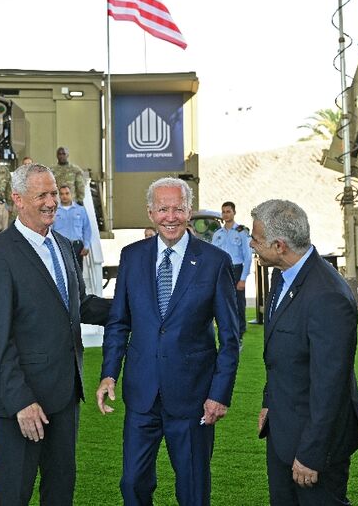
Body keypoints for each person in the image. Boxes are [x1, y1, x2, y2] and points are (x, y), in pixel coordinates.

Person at [96, 177, 240, 506]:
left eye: (178, 208)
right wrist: (109, 374)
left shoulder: (215, 261)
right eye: (163, 209)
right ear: (150, 212)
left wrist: (219, 394)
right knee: (132, 484)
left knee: (192, 489)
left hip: (193, 399)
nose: (170, 216)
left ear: (189, 211)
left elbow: (230, 338)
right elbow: (118, 322)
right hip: (142, 395)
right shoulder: (131, 256)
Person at [0, 164, 110, 506]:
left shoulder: (63, 245)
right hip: (21, 403)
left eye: (54, 193)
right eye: (42, 195)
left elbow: (82, 306)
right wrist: (21, 401)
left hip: (65, 396)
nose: (52, 202)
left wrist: (138, 308)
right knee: (15, 494)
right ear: (18, 199)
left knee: (61, 489)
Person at [251, 199, 358, 506]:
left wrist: (312, 453)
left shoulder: (328, 295)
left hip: (314, 445)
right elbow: (282, 353)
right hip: (283, 430)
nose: (251, 244)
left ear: (279, 246)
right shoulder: (282, 274)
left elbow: (331, 385)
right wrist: (269, 401)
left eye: (257, 240)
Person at [211, 201, 252, 344]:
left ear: (234, 212)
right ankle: (227, 330)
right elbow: (213, 255)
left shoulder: (241, 232)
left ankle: (239, 333)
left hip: (236, 269)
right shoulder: (217, 234)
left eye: (228, 211)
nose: (226, 214)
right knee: (222, 300)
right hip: (222, 270)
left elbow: (247, 256)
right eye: (223, 212)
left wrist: (243, 278)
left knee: (238, 302)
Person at [54, 184, 91, 269]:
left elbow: (86, 228)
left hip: (77, 246)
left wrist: (86, 245)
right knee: (62, 271)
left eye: (67, 193)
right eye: (62, 194)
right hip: (60, 246)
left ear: (71, 194)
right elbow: (49, 229)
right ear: (59, 196)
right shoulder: (54, 211)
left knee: (77, 273)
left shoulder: (80, 210)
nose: (64, 196)